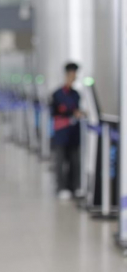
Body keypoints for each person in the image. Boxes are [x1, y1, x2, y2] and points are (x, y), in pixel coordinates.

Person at [50, 62, 83, 199]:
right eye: (71, 74)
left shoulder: (76, 94)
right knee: (60, 161)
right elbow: (57, 111)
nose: (73, 77)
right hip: (61, 132)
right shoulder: (57, 94)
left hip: (74, 132)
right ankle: (61, 187)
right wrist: (71, 113)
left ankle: (73, 186)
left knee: (74, 161)